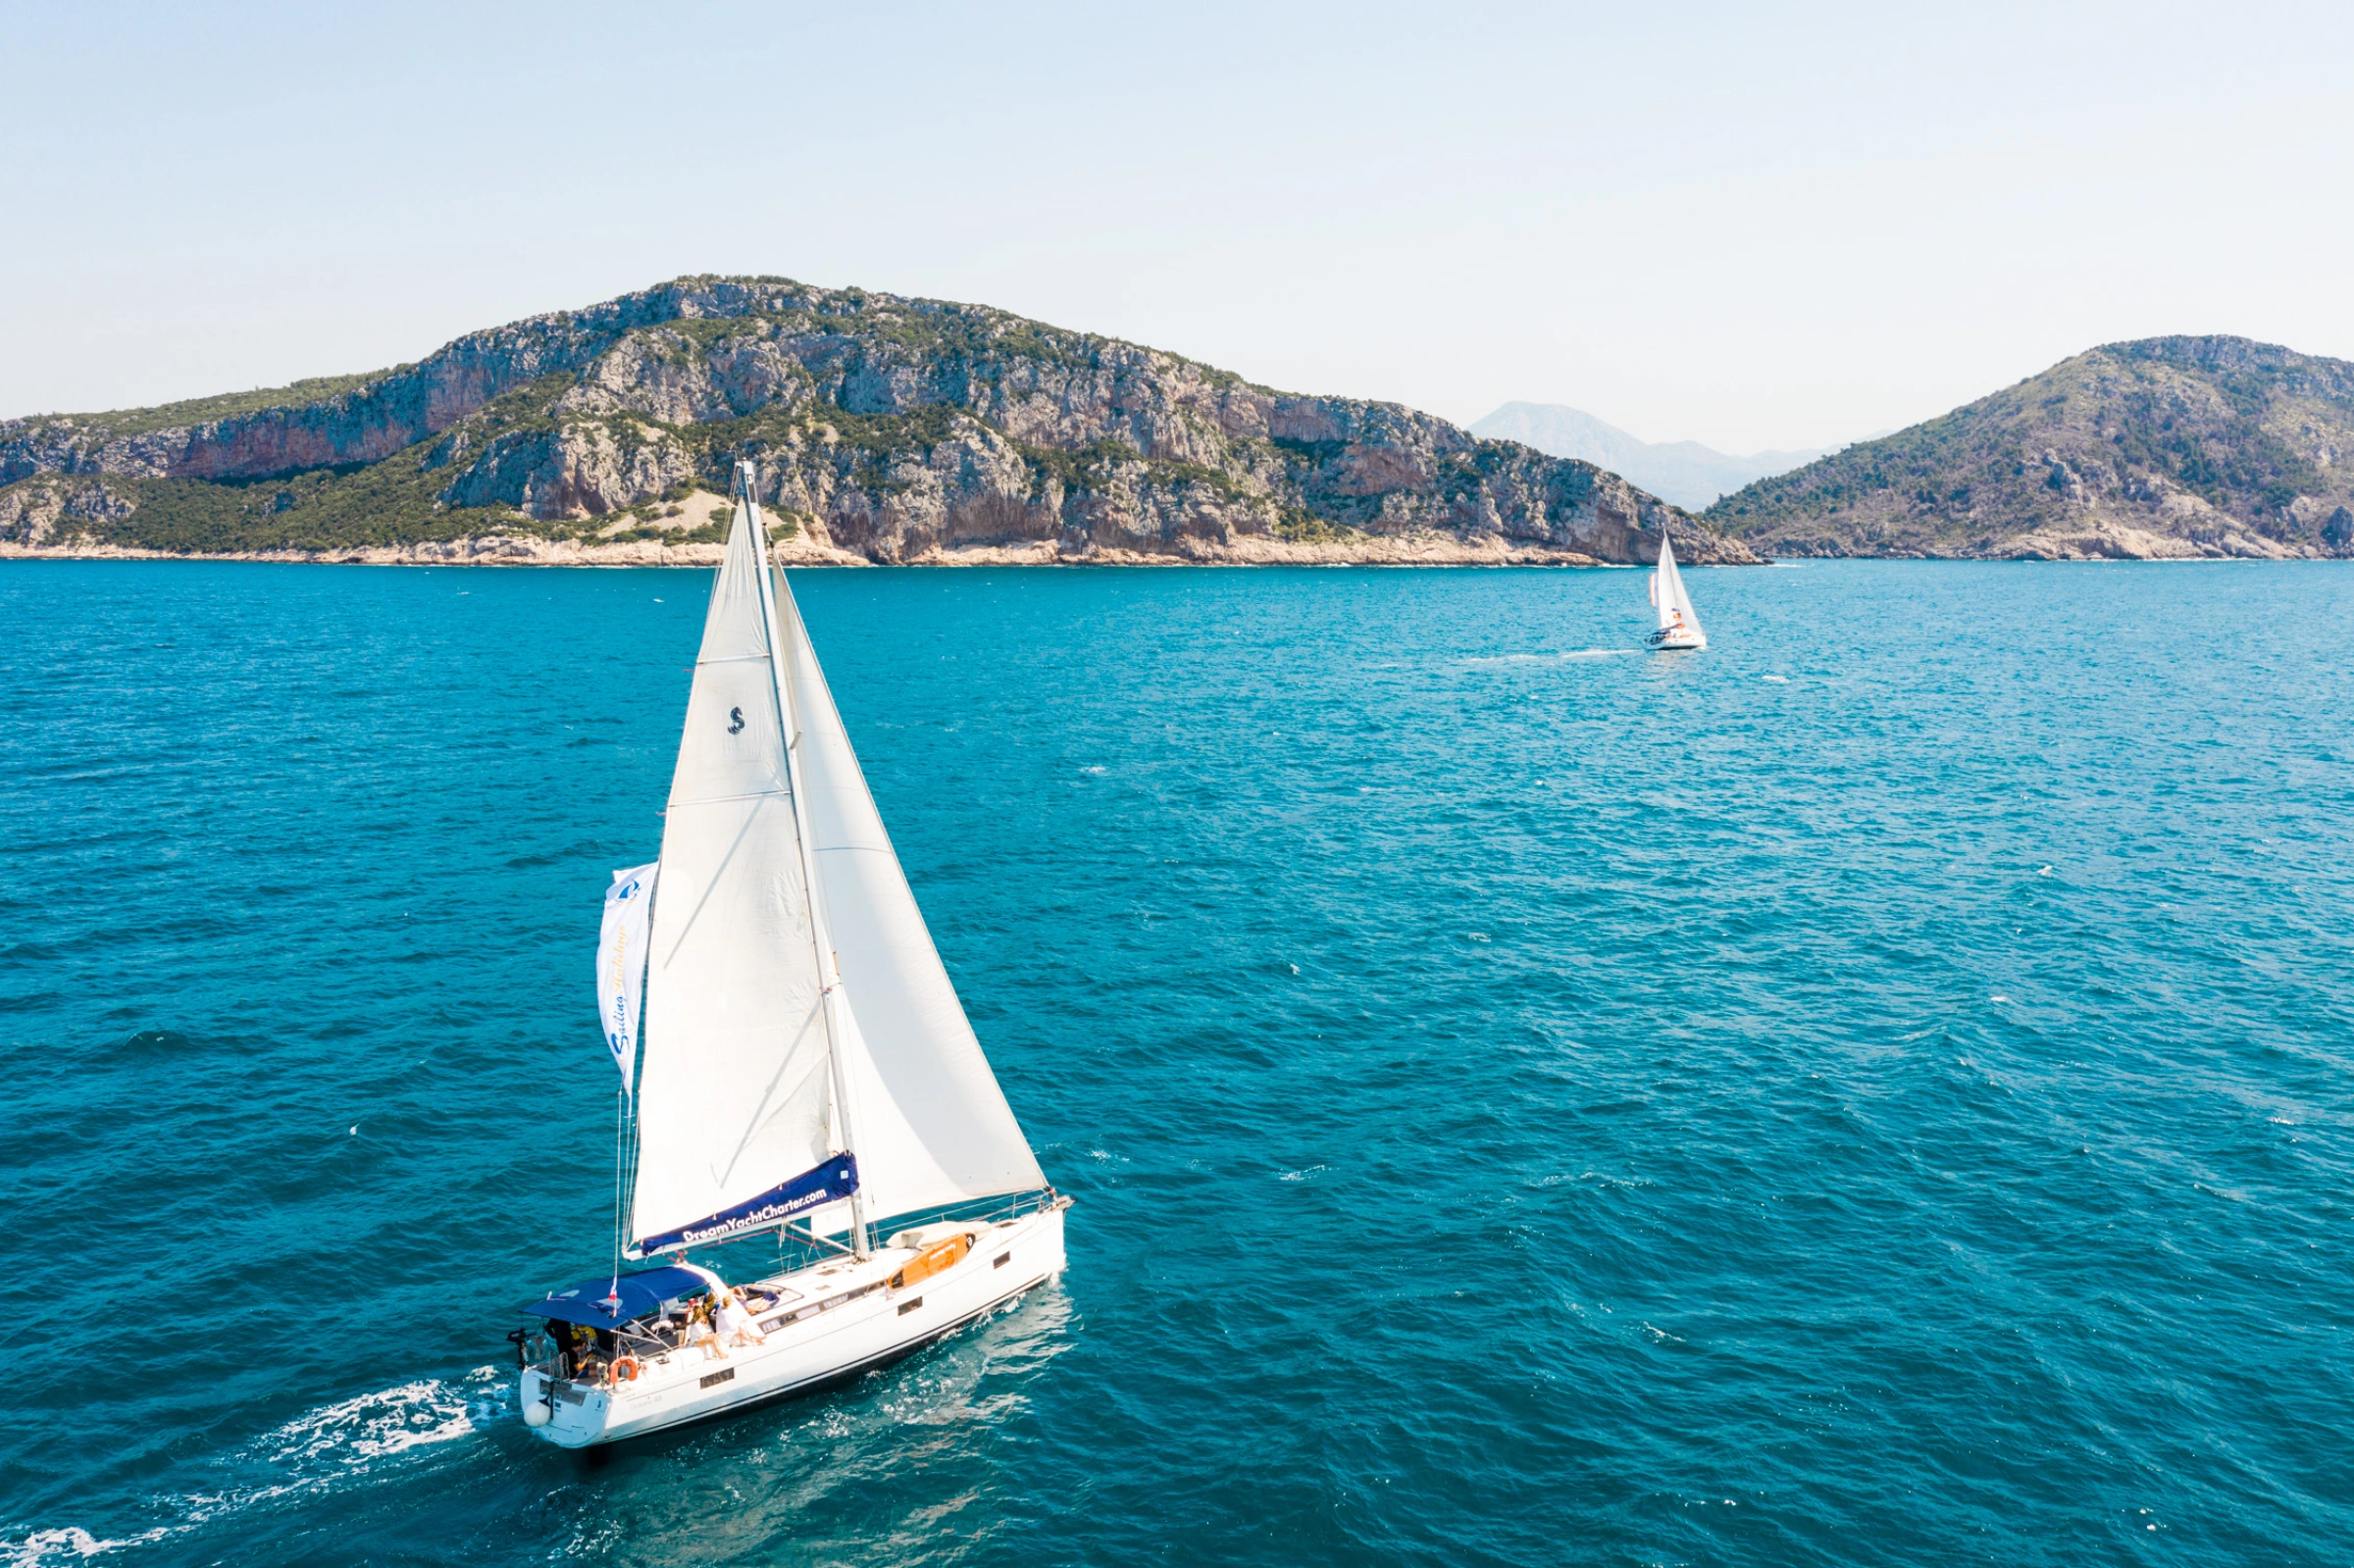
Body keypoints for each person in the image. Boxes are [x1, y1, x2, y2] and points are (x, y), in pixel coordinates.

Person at [712, 1285, 767, 1349]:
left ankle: (755, 1338)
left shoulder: (722, 1309)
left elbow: (731, 1323)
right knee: (740, 1332)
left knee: (741, 1329)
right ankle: (754, 1340)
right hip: (724, 1333)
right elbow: (730, 1325)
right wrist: (740, 1322)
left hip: (727, 1330)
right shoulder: (724, 1312)